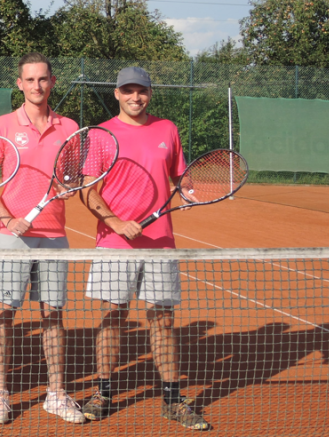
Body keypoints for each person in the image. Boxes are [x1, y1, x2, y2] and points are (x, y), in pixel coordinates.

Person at [79, 66, 209, 430]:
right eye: (128, 91)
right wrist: (117, 222)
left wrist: (187, 191)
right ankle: (103, 392)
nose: (135, 97)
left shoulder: (167, 129)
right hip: (114, 242)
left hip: (160, 243)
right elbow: (88, 191)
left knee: (163, 321)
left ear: (150, 93)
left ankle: (172, 399)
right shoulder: (102, 134)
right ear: (117, 94)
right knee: (112, 317)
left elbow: (179, 177)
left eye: (142, 91)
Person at [0, 52, 84, 424]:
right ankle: (0, 394)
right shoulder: (3, 125)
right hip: (11, 237)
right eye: (30, 80)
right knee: (4, 314)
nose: (36, 86)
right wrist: (8, 219)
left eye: (43, 79)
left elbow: (71, 178)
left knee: (53, 315)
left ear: (52, 82)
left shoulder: (69, 127)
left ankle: (56, 393)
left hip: (53, 235)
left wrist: (70, 187)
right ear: (19, 84)